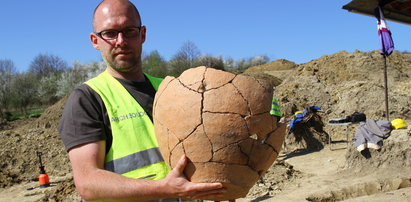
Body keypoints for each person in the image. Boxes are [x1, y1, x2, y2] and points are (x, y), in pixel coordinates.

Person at [58, 0, 227, 201]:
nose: (120, 40)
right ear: (95, 41)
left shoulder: (172, 88)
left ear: (143, 34)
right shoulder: (88, 98)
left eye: (129, 30)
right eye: (110, 33)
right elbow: (88, 183)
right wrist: (166, 189)